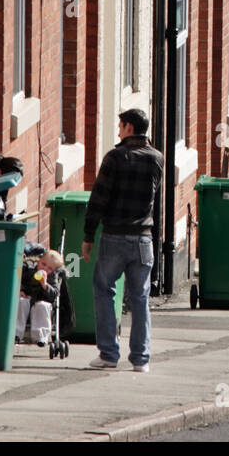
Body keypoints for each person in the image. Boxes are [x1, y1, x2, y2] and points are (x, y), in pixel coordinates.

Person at [82, 108, 163, 372]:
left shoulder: (115, 157)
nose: (118, 130)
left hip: (114, 237)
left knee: (104, 289)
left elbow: (99, 198)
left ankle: (108, 354)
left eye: (120, 125)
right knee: (140, 298)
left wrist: (88, 235)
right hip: (143, 239)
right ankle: (141, 359)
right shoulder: (157, 159)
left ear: (129, 127)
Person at [17, 250, 66, 346]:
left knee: (42, 306)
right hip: (27, 298)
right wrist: (21, 290)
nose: (45, 269)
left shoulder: (53, 277)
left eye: (50, 268)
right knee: (21, 302)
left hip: (41, 300)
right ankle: (16, 334)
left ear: (54, 270)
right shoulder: (29, 270)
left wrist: (45, 285)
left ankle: (40, 336)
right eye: (43, 264)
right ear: (38, 261)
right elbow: (20, 281)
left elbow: (54, 294)